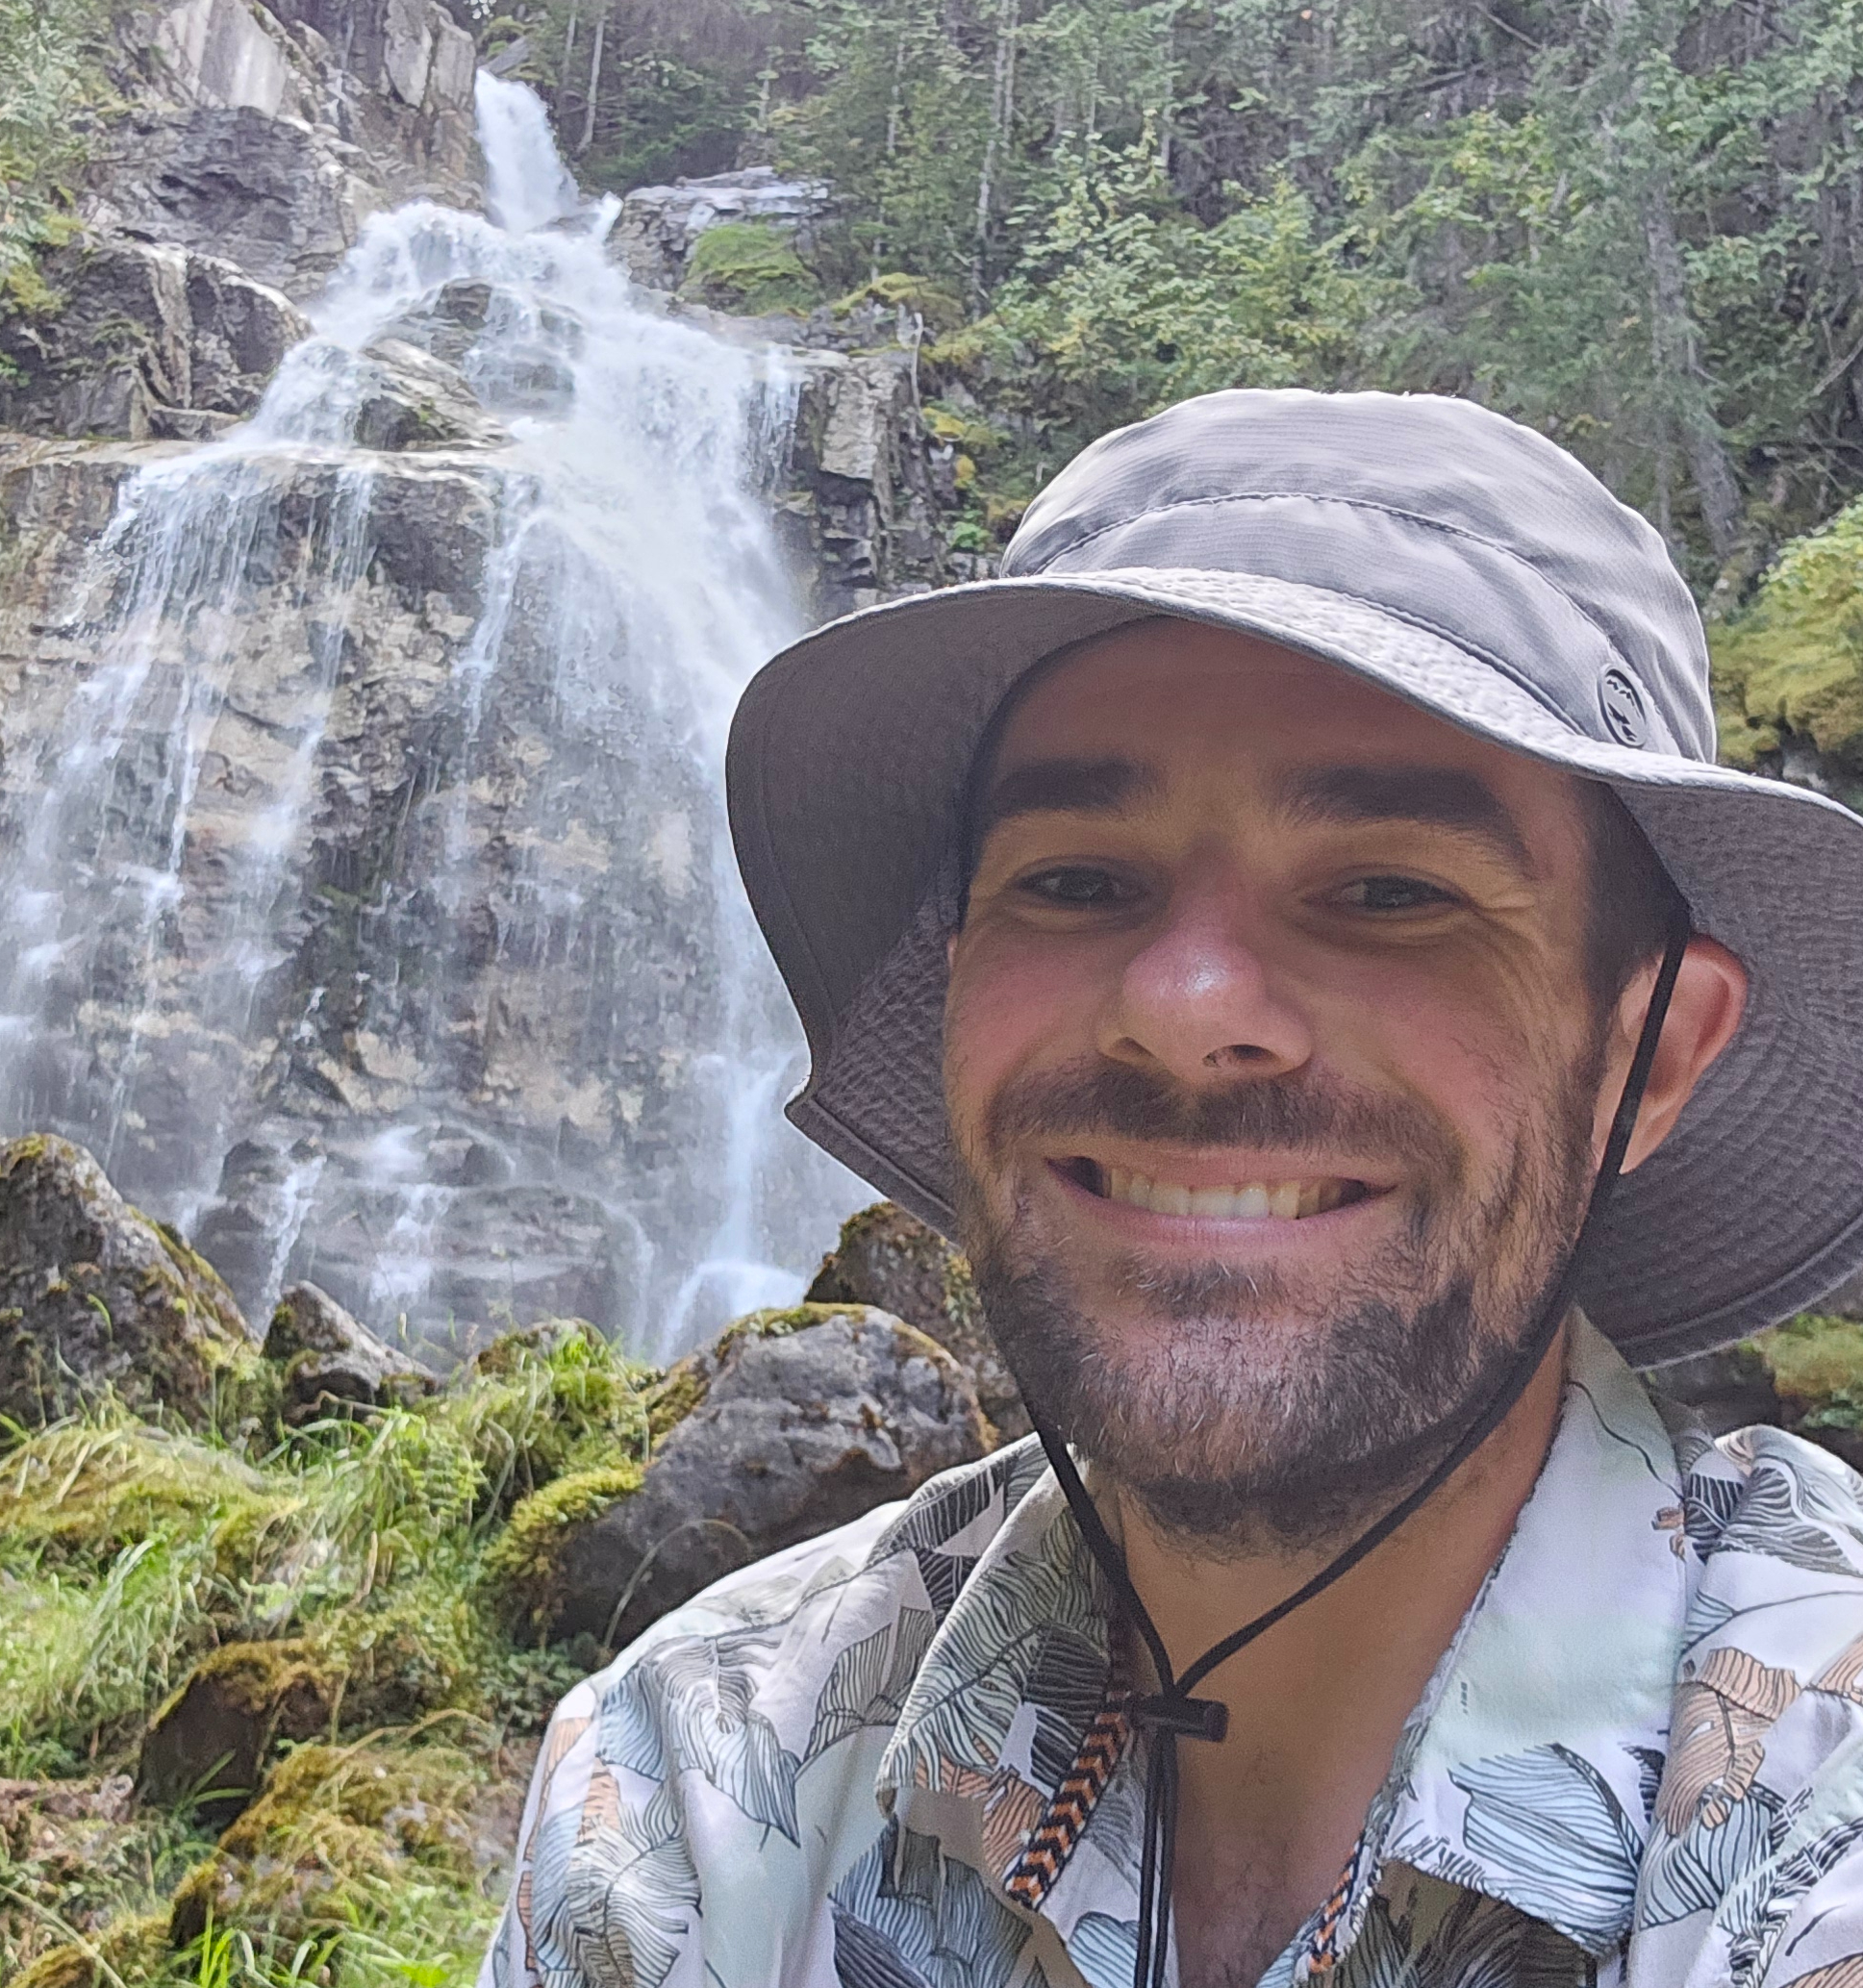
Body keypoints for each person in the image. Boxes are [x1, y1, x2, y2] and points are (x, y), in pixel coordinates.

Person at [483, 390, 1863, 1988]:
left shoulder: (1808, 1808)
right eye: (1077, 880)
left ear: (1654, 1056)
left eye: (1388, 891)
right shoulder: (691, 1797)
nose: (1188, 1006)